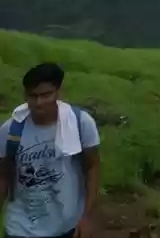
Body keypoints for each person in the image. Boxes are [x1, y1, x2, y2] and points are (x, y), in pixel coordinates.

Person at [0, 63, 101, 238]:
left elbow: (93, 167)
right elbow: (3, 175)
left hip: (66, 224)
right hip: (20, 227)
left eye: (46, 95)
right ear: (25, 95)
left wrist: (87, 216)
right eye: (33, 96)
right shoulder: (10, 130)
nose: (39, 103)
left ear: (58, 92)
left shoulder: (80, 123)